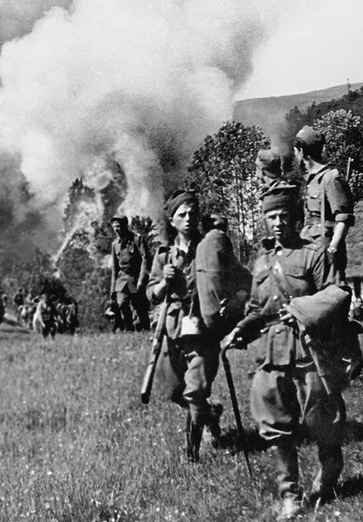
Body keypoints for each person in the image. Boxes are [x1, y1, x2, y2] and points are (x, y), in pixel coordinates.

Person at [225, 184, 353, 520]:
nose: (279, 222)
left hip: (309, 351)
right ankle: (290, 496)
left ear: (295, 218)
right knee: (273, 424)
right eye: (272, 216)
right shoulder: (262, 262)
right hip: (271, 353)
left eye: (284, 215)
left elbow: (339, 294)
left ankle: (329, 470)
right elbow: (258, 308)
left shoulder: (314, 255)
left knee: (321, 419)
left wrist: (300, 308)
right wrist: (242, 329)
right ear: (265, 220)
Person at [146, 190, 222, 462]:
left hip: (203, 329)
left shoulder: (209, 247)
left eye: (193, 213)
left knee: (195, 390)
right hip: (173, 328)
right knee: (173, 390)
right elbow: (150, 294)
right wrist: (164, 282)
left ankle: (191, 454)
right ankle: (210, 414)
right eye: (182, 215)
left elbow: (233, 280)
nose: (189, 218)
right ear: (172, 220)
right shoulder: (163, 255)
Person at [295, 125, 355, 278]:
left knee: (330, 296)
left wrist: (332, 248)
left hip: (325, 249)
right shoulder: (310, 180)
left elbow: (343, 218)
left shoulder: (331, 178)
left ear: (302, 152)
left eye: (296, 151)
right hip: (309, 247)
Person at [195, 214, 251, 341]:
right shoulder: (219, 240)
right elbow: (241, 274)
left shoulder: (200, 245)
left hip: (203, 318)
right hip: (223, 318)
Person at [110, 214, 151, 332]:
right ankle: (129, 329)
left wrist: (142, 280)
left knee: (139, 307)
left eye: (118, 226)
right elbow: (114, 268)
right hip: (122, 279)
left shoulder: (137, 240)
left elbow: (146, 259)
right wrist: (112, 289)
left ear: (125, 226)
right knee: (122, 303)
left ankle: (146, 329)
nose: (116, 230)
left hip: (135, 277)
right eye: (114, 227)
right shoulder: (115, 244)